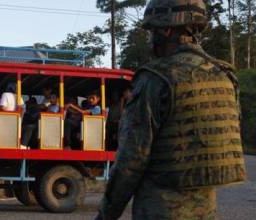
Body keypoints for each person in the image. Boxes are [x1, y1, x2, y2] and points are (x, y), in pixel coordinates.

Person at [96, 0, 247, 219]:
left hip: (160, 210)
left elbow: (131, 160)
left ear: (165, 30)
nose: (149, 39)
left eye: (151, 31)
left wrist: (106, 214)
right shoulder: (224, 76)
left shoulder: (155, 79)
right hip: (207, 211)